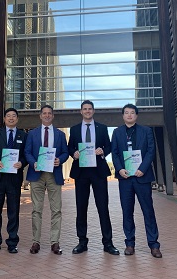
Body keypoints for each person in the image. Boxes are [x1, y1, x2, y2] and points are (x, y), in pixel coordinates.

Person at [68, 100, 119, 255]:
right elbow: (70, 147)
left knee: (103, 207)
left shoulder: (102, 128)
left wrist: (102, 151)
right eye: (85, 109)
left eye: (90, 109)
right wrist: (74, 153)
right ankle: (82, 242)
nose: (88, 111)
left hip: (98, 172)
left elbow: (109, 146)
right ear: (81, 111)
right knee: (81, 208)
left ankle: (108, 243)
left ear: (93, 111)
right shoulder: (74, 129)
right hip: (81, 172)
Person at [111, 103, 162, 258]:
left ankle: (154, 245)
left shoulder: (146, 131)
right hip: (125, 178)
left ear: (136, 115)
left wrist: (143, 168)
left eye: (132, 113)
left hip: (142, 177)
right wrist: (119, 169)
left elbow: (151, 151)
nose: (129, 115)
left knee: (148, 211)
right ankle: (130, 244)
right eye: (126, 113)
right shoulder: (117, 132)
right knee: (127, 212)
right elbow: (114, 153)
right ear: (123, 115)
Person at [25, 105, 69, 255]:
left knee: (56, 210)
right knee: (36, 209)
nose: (47, 115)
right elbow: (27, 152)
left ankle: (55, 242)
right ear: (40, 116)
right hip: (36, 174)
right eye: (44, 113)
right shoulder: (32, 134)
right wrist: (33, 163)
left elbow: (65, 152)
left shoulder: (60, 134)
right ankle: (35, 241)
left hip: (54, 174)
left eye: (50, 113)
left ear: (53, 116)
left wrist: (60, 160)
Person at [0, 108, 27, 254]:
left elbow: (26, 154)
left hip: (14, 178)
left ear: (17, 119)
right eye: (8, 116)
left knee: (13, 212)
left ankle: (12, 242)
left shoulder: (23, 135)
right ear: (4, 119)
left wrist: (22, 163)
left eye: (13, 116)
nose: (11, 118)